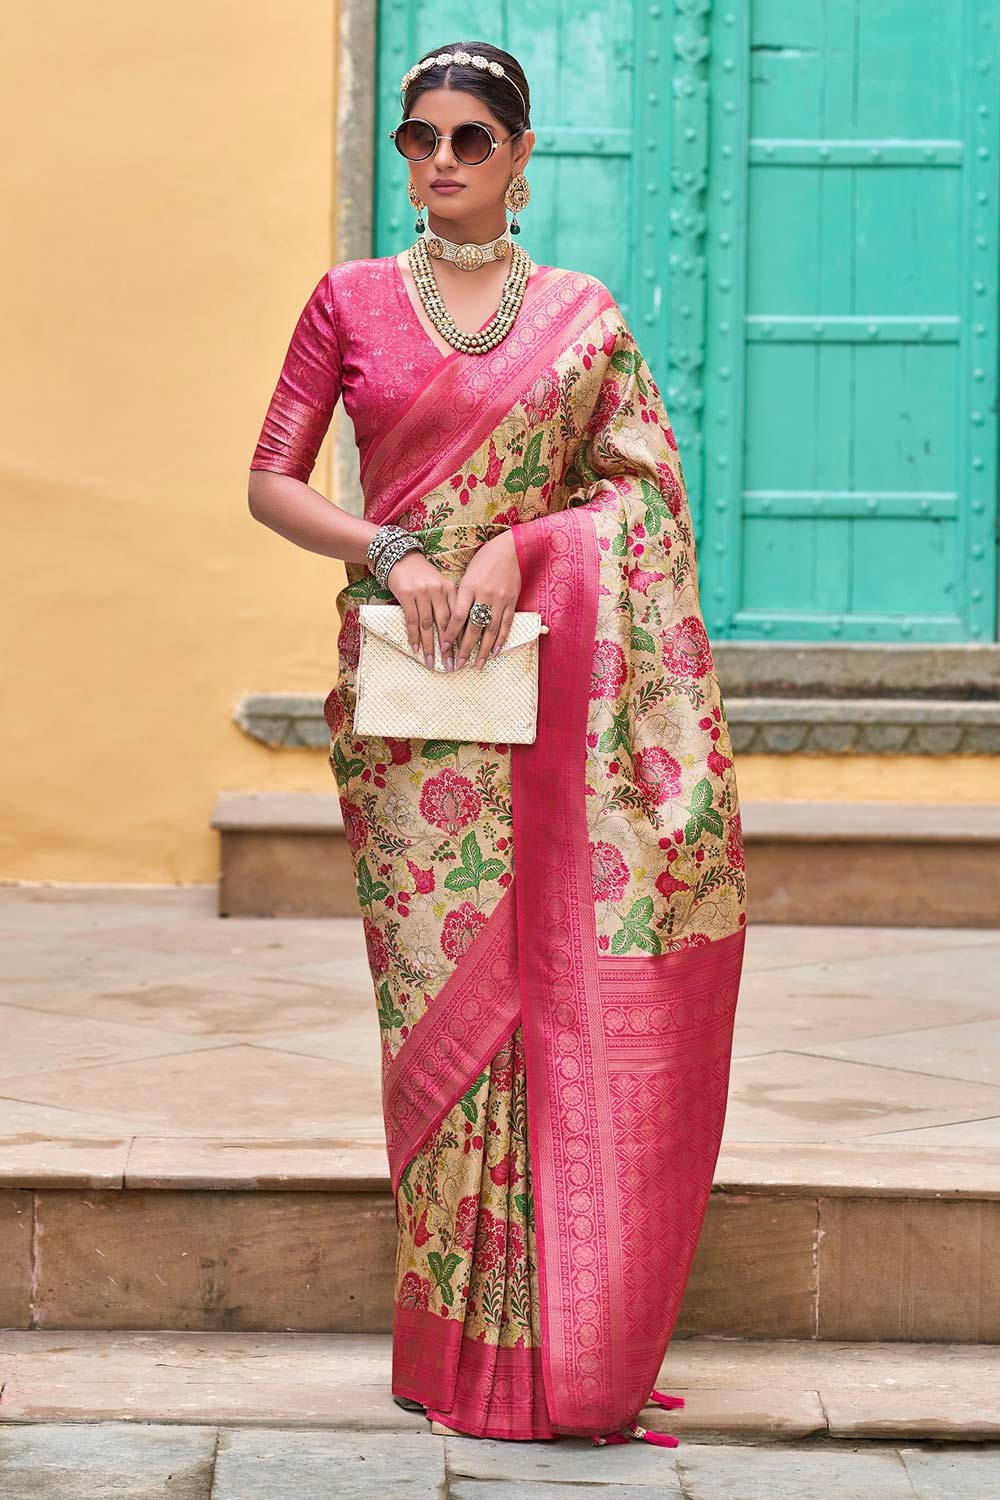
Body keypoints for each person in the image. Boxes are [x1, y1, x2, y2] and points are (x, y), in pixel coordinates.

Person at [248, 40, 748, 1450]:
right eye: (420, 140)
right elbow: (271, 481)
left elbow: (643, 507)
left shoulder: (581, 318)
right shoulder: (348, 302)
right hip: (411, 718)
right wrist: (395, 550)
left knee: (543, 1000)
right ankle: (453, 1345)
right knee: (436, 1019)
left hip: (553, 704)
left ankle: (557, 1343)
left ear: (522, 158)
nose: (445, 162)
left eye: (474, 138)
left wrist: (526, 548)